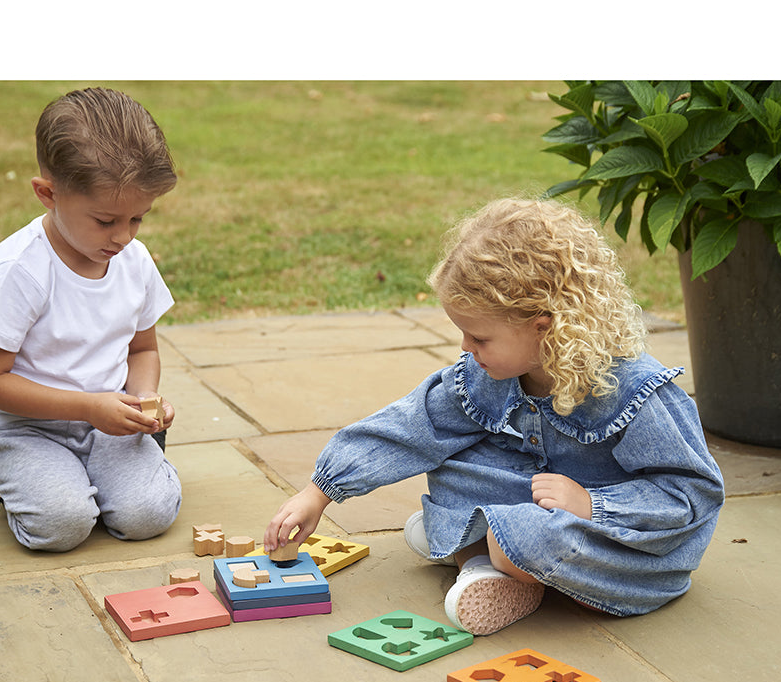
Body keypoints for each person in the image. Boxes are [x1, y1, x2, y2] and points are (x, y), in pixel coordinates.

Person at [264, 197, 725, 635]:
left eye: (479, 337)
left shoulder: (632, 389)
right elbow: (410, 427)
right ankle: (500, 564)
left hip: (607, 531)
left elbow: (690, 494)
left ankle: (491, 557)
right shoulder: (489, 374)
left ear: (543, 327)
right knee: (450, 465)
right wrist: (319, 491)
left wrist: (591, 506)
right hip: (535, 499)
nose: (467, 347)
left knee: (532, 538)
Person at [0, 87, 182, 552]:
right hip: (26, 428)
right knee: (62, 526)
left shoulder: (133, 261)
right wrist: (88, 407)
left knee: (149, 515)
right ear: (48, 194)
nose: (123, 237)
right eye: (105, 221)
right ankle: (18, 475)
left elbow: (142, 349)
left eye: (138, 219)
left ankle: (116, 474)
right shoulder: (18, 271)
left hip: (108, 422)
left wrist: (144, 397)